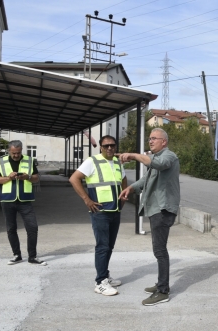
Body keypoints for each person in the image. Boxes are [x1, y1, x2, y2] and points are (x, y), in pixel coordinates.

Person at [117, 128, 180, 306]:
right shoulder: (156, 160)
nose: (150, 141)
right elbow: (147, 180)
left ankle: (163, 291)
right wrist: (131, 188)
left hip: (163, 209)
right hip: (155, 209)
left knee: (160, 251)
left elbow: (158, 165)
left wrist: (135, 156)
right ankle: (162, 283)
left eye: (154, 138)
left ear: (164, 142)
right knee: (159, 250)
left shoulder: (169, 157)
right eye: (149, 138)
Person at [69, 135, 127, 296]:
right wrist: (87, 199)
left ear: (115, 146)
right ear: (100, 147)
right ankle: (100, 282)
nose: (109, 148)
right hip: (100, 212)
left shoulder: (116, 162)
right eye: (106, 145)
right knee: (102, 246)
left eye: (112, 145)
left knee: (109, 246)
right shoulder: (91, 161)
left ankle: (105, 276)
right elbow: (74, 179)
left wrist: (123, 196)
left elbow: (123, 179)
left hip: (115, 210)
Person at [0, 140, 46, 266]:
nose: (16, 155)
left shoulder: (29, 160)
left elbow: (37, 178)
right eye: (13, 153)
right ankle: (16, 255)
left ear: (21, 150)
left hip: (25, 200)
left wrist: (27, 177)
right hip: (7, 200)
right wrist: (9, 178)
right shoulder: (1, 161)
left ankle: (32, 257)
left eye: (18, 153)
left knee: (32, 227)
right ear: (8, 151)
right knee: (11, 228)